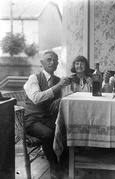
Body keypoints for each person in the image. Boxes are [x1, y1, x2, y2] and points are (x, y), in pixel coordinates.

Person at [24, 50, 71, 179]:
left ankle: (64, 163)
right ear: (42, 63)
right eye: (49, 60)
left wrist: (61, 99)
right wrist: (58, 87)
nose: (52, 62)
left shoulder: (58, 80)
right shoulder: (33, 78)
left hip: (48, 118)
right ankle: (54, 166)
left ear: (57, 64)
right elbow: (36, 98)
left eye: (55, 61)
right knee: (48, 134)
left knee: (68, 129)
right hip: (32, 119)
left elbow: (65, 98)